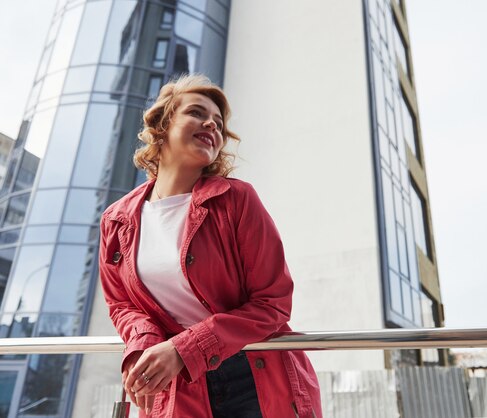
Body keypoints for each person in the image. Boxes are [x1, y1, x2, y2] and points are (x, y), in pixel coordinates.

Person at [99, 74, 322, 418]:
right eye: (196, 113)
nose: (211, 125)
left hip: (254, 374)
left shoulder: (236, 199)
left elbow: (273, 303)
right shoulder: (117, 220)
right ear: (162, 125)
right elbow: (122, 304)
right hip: (177, 383)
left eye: (218, 123)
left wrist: (185, 349)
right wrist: (145, 345)